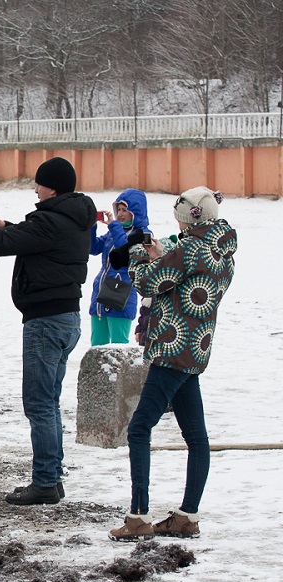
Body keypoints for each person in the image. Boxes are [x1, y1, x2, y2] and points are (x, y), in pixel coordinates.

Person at [0, 156, 95, 505]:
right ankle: (51, 479)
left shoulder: (50, 221)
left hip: (46, 323)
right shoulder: (72, 218)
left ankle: (46, 482)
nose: (35, 189)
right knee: (47, 402)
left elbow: (2, 245)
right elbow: (26, 237)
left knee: (39, 404)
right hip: (66, 319)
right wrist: (2, 223)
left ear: (52, 187)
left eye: (38, 184)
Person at [108, 187, 237, 541]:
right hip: (196, 350)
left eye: (179, 213)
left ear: (191, 215)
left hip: (172, 347)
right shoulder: (219, 248)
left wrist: (138, 253)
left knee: (139, 429)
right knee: (196, 437)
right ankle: (187, 517)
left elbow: (147, 280)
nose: (175, 220)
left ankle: (138, 519)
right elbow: (183, 268)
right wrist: (162, 251)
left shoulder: (190, 249)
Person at [88, 189, 151, 345]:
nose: (120, 214)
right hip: (100, 295)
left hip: (121, 295)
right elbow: (92, 248)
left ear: (136, 212)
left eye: (125, 210)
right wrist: (91, 226)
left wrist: (114, 226)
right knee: (96, 347)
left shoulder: (144, 235)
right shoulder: (114, 231)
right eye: (118, 210)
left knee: (118, 348)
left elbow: (125, 255)